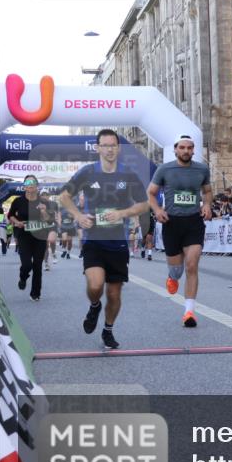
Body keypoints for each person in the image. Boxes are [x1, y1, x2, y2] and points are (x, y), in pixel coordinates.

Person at [59, 129, 149, 349]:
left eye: (113, 145)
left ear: (118, 148)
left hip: (118, 241)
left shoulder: (128, 174)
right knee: (96, 284)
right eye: (105, 145)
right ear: (98, 148)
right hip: (93, 240)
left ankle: (108, 329)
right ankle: (94, 305)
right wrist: (79, 216)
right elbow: (64, 196)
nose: (109, 149)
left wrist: (122, 214)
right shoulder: (87, 172)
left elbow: (143, 203)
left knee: (114, 292)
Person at [146, 135, 213, 328]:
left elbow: (207, 191)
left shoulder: (202, 169)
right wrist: (158, 210)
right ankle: (172, 276)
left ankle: (189, 311)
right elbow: (151, 192)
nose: (186, 151)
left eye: (189, 148)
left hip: (193, 221)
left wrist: (207, 205)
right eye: (182, 147)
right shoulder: (164, 169)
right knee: (177, 270)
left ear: (194, 150)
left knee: (192, 265)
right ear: (175, 150)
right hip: (171, 222)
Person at [8, 176, 56, 301]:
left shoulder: (44, 202)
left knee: (37, 265)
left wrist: (44, 212)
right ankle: (23, 277)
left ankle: (35, 293)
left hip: (40, 236)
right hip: (24, 235)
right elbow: (10, 216)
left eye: (33, 182)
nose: (30, 185)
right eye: (27, 182)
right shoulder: (18, 201)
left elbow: (50, 220)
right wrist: (17, 222)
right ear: (24, 186)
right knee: (27, 264)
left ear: (37, 186)